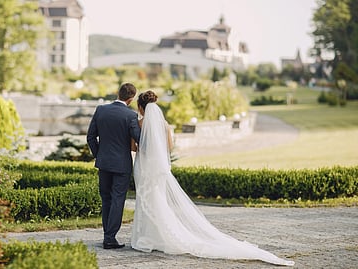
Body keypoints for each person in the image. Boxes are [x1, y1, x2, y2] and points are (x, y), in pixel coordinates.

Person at [130, 90, 295, 266]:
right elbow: (169, 147)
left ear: (141, 107)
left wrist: (143, 147)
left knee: (146, 198)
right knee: (159, 199)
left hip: (144, 166)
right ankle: (160, 236)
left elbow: (134, 148)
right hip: (159, 167)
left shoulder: (138, 124)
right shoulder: (164, 125)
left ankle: (147, 237)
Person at [87, 83, 141, 249]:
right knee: (117, 199)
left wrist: (99, 154)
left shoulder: (100, 110)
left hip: (104, 163)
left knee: (106, 199)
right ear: (131, 99)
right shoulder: (130, 115)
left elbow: (90, 137)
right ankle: (109, 238)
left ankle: (107, 236)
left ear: (118, 94)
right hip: (121, 166)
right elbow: (139, 139)